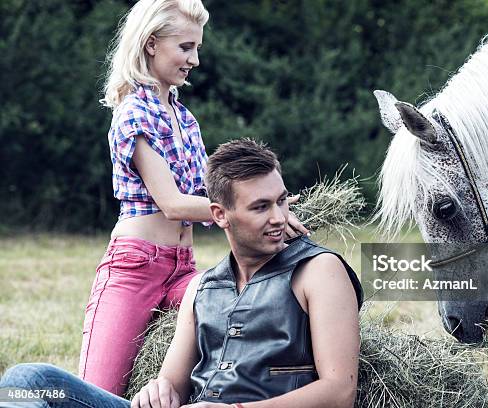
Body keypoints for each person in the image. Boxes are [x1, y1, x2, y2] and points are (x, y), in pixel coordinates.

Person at [0, 139, 363, 408]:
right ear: (219, 215)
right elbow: (171, 385)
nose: (279, 218)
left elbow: (339, 392)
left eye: (281, 201)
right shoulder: (202, 287)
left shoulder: (319, 270)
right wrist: (155, 391)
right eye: (261, 207)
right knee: (26, 381)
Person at [80, 0, 307, 396]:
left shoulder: (184, 118)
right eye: (186, 47)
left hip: (185, 269)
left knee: (251, 326)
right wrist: (249, 213)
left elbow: (211, 194)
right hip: (135, 267)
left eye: (197, 48)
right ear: (151, 44)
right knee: (99, 393)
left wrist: (271, 209)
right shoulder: (134, 112)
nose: (195, 60)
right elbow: (173, 203)